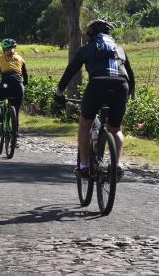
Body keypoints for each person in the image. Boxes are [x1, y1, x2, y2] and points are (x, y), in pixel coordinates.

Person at [54, 20, 135, 178]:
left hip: (97, 84)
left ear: (90, 36)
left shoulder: (86, 49)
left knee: (85, 124)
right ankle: (116, 164)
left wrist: (59, 92)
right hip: (121, 86)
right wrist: (128, 95)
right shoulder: (120, 50)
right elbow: (130, 76)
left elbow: (70, 71)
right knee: (116, 128)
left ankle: (84, 166)